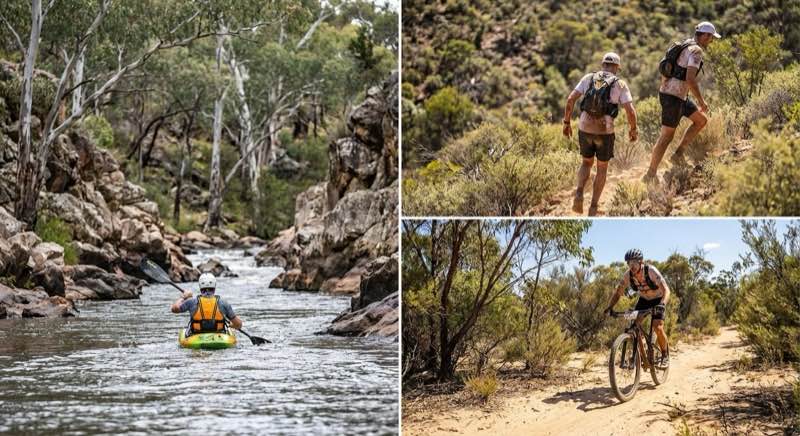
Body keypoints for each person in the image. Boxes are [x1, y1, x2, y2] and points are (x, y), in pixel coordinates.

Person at [643, 21, 722, 183]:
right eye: (711, 37)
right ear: (705, 35)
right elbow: (690, 79)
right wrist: (701, 101)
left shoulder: (686, 44)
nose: (712, 41)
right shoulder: (696, 50)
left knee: (700, 121)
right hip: (674, 97)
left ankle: (678, 154)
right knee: (666, 137)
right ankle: (650, 174)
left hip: (674, 94)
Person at [563, 52, 638, 216]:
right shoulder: (620, 84)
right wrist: (633, 129)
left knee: (586, 163)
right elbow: (630, 111)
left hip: (585, 127)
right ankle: (593, 207)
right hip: (605, 131)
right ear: (617, 67)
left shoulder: (588, 78)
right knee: (602, 169)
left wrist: (566, 123)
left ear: (603, 64)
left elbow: (570, 100)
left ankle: (579, 192)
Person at [604, 249, 671, 366]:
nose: (631, 266)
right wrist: (610, 307)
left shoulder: (651, 271)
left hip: (658, 299)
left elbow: (666, 290)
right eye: (629, 263)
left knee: (657, 327)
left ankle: (665, 355)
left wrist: (662, 304)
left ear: (641, 262)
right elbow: (618, 293)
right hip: (644, 300)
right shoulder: (628, 275)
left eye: (634, 262)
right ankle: (640, 353)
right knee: (635, 325)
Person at [171, 272, 243, 335]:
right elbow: (238, 324)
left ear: (200, 287)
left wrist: (183, 297)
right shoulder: (223, 303)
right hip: (219, 336)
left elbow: (174, 309)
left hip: (196, 335)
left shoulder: (191, 302)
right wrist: (231, 325)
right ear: (214, 287)